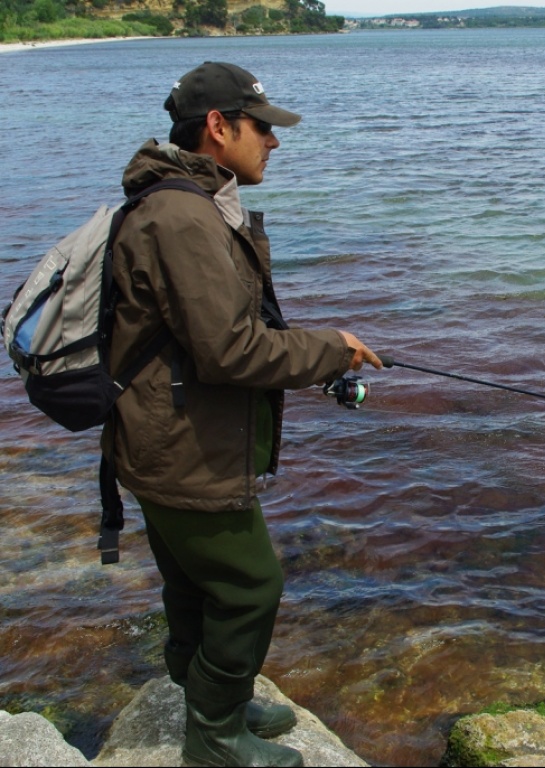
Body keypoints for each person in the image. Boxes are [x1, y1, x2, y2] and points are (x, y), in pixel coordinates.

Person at [103, 61, 382, 768]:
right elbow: (229, 350)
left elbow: (213, 335)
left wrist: (315, 354)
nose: (274, 143)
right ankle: (216, 739)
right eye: (262, 128)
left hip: (161, 437)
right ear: (219, 128)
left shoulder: (182, 204)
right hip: (183, 448)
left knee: (195, 583)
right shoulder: (183, 217)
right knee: (252, 585)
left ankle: (210, 698)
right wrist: (331, 350)